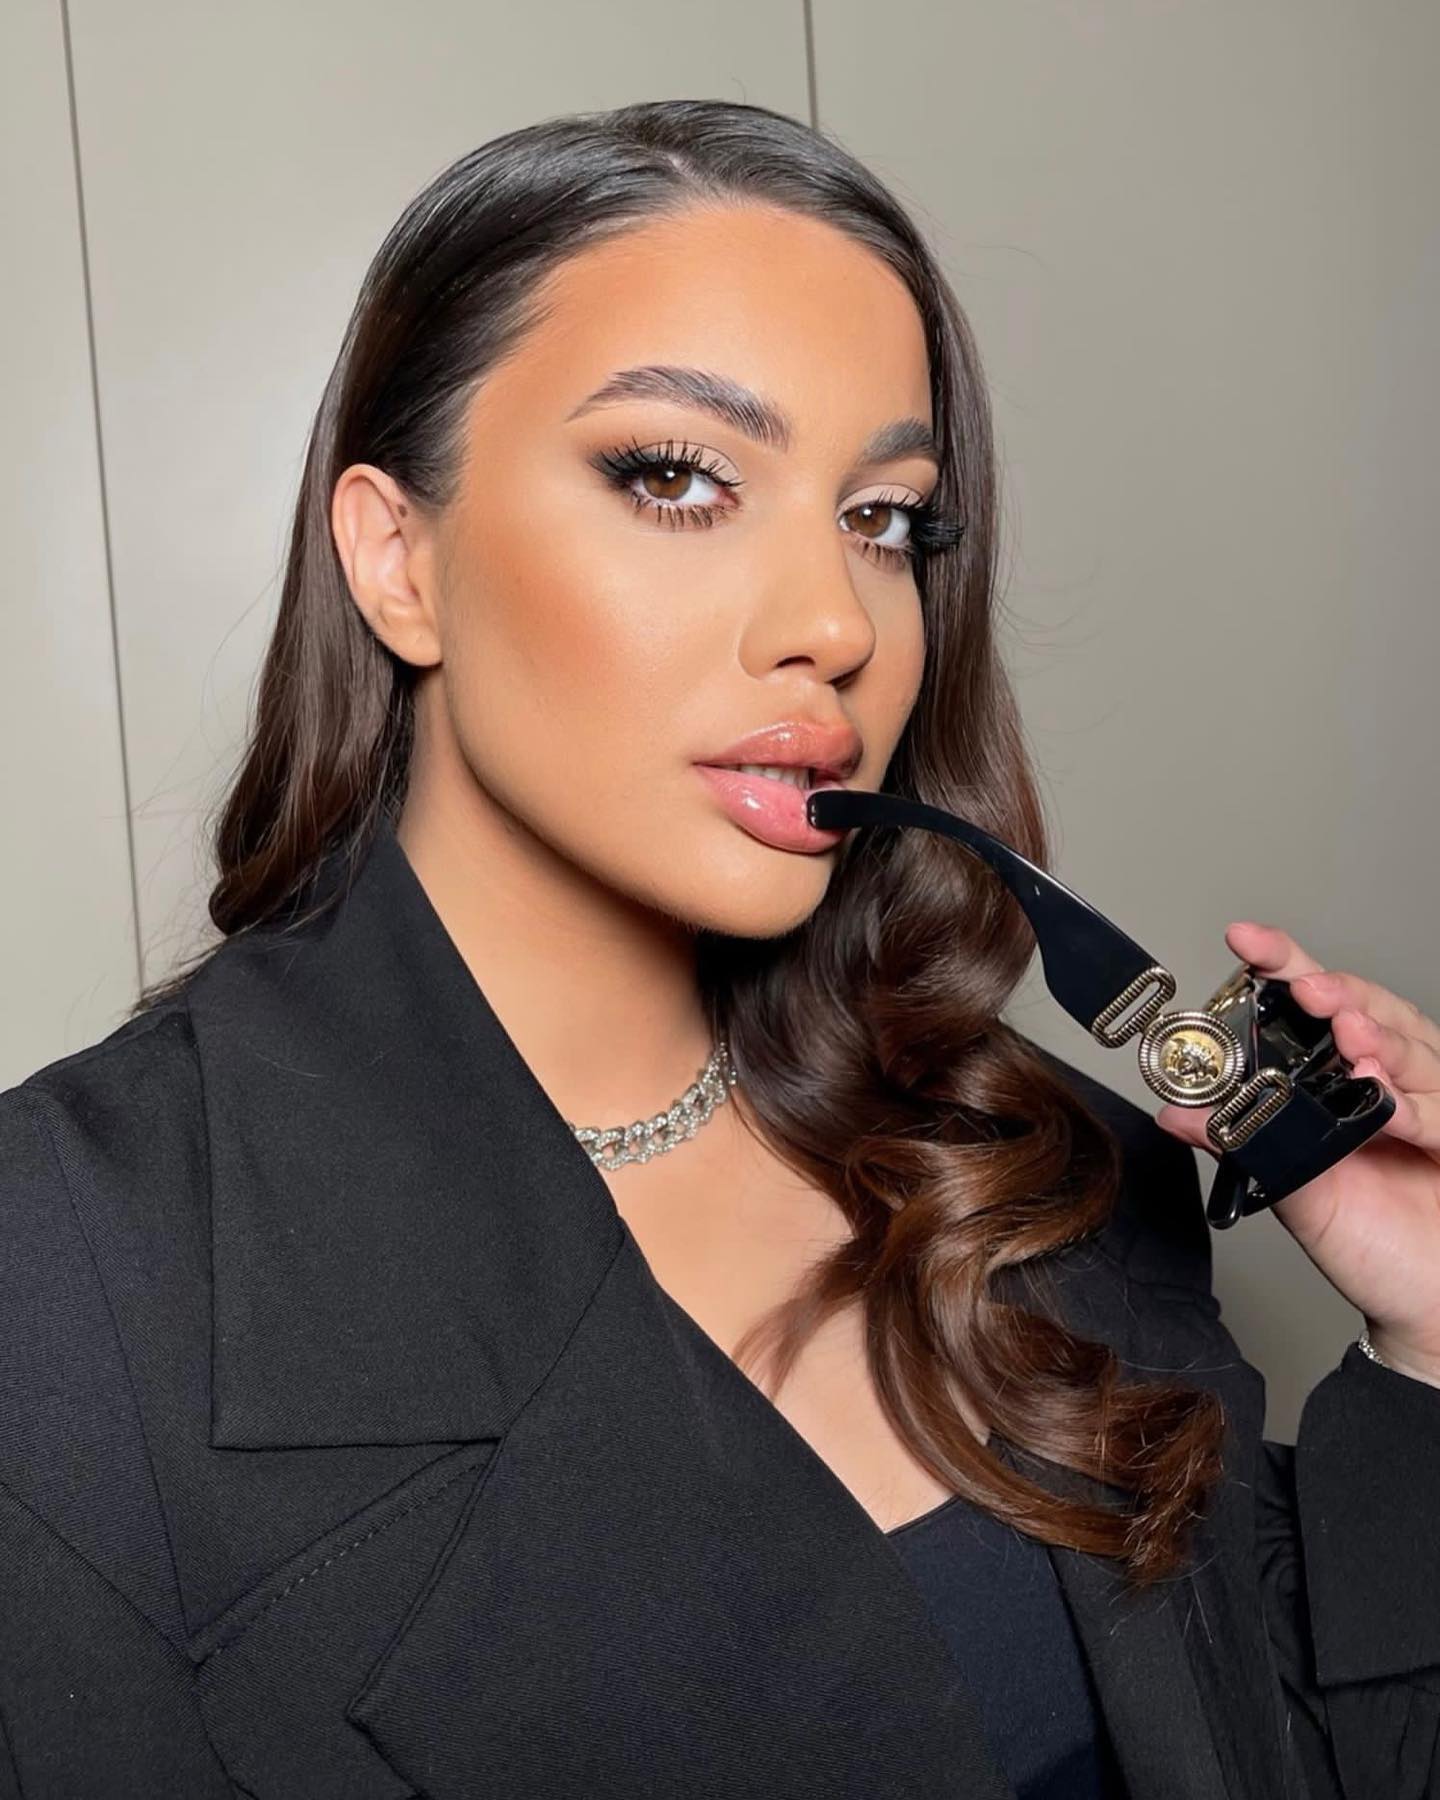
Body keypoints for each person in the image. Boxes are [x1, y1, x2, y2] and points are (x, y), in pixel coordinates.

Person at [1, 97, 1437, 1800]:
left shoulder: (1038, 1161)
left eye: (886, 519)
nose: (835, 623)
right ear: (399, 559)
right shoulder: (68, 1286)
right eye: (676, 478)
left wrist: (1427, 1340)